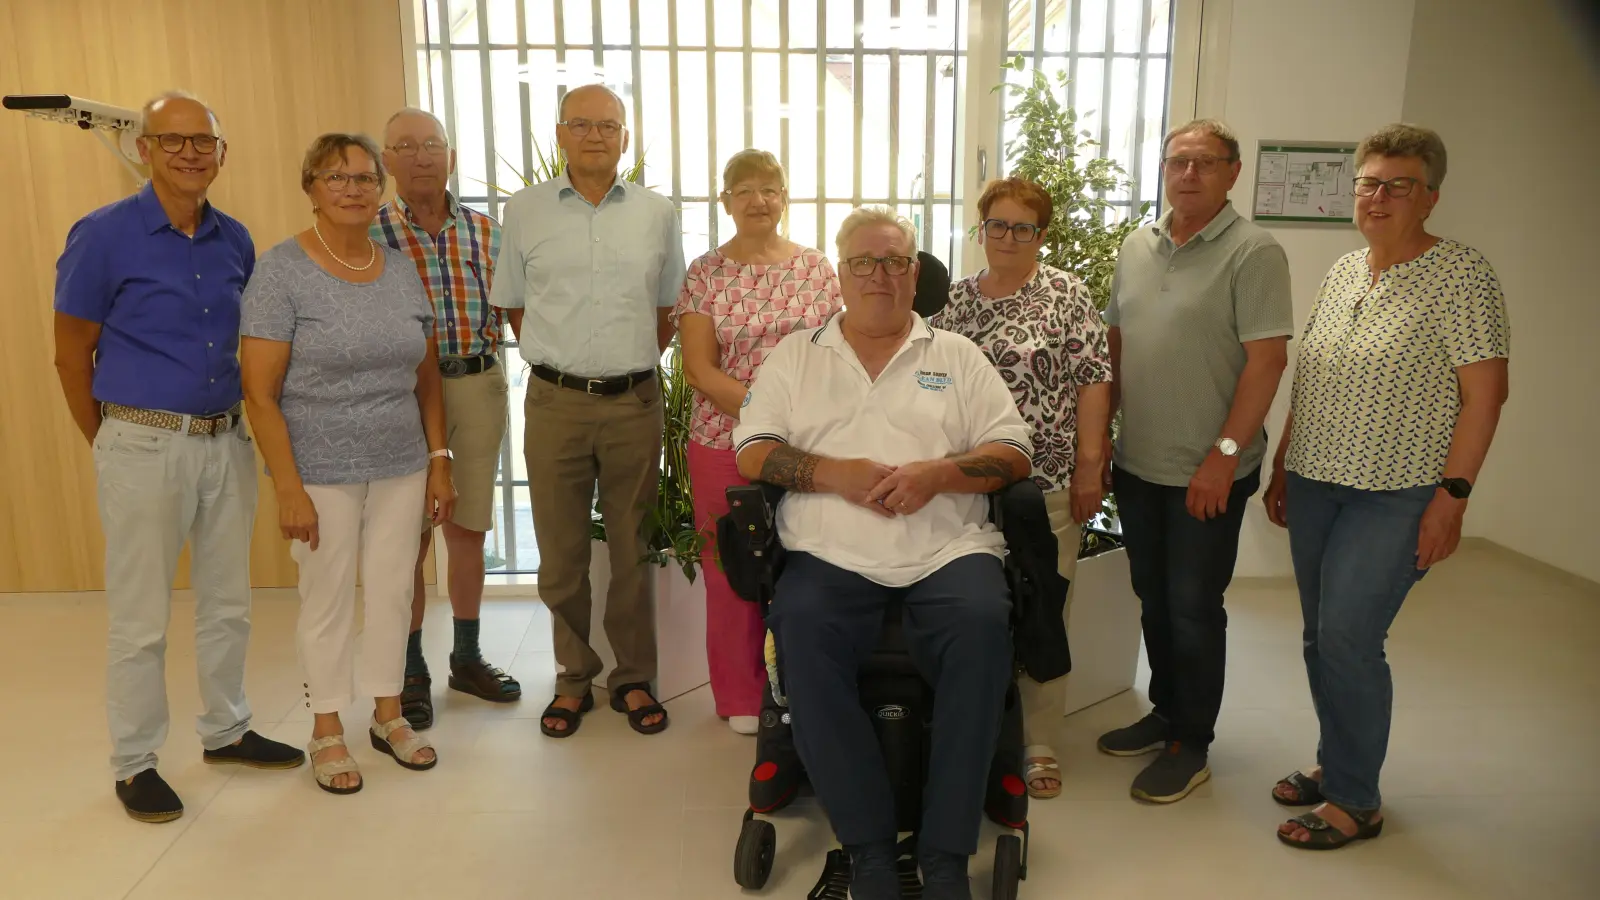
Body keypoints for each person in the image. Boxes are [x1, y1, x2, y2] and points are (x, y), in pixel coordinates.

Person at [733, 207, 1032, 900]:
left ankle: (946, 858)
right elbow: (752, 450)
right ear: (839, 274)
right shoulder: (796, 355)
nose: (880, 276)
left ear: (915, 273)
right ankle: (869, 852)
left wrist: (940, 476)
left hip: (949, 548)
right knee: (800, 631)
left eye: (896, 262)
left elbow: (1012, 451)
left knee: (984, 627)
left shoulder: (954, 355)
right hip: (829, 551)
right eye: (864, 262)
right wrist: (831, 473)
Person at [52, 91, 304, 824]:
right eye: (174, 141)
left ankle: (226, 730)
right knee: (141, 619)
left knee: (229, 605)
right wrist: (108, 441)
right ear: (144, 149)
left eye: (205, 142)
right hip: (140, 442)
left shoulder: (236, 240)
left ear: (223, 155)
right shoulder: (102, 236)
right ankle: (135, 763)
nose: (191, 153)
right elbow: (71, 357)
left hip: (225, 441)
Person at [1264, 124, 1509, 849]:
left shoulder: (1462, 275)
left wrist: (1452, 498)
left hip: (1396, 491)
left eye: (1396, 185)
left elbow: (1486, 395)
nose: (1376, 196)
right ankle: (1338, 760)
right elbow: (1313, 376)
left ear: (1429, 196)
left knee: (1349, 637)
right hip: (1315, 480)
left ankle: (1356, 800)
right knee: (1319, 636)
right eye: (1368, 182)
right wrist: (1283, 462)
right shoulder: (1345, 270)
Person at [241, 133, 453, 794]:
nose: (354, 188)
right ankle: (327, 728)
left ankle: (388, 714)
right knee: (326, 598)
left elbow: (426, 377)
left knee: (393, 590)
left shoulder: (397, 267)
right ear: (310, 188)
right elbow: (259, 393)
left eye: (364, 177)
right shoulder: (281, 271)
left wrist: (439, 459)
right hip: (319, 467)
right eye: (337, 177)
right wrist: (288, 488)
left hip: (401, 460)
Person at [1098, 118, 1293, 804]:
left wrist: (1226, 455)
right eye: (1177, 160)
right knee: (1153, 596)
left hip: (1211, 472)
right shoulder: (1137, 244)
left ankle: (1193, 742)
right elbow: (1118, 346)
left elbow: (1268, 362)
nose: (1188, 174)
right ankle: (1165, 713)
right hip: (1138, 463)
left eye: (1204, 162)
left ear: (1233, 172)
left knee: (1193, 607)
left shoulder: (1254, 252)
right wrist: (1100, 447)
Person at [490, 84, 686, 738]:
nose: (596, 135)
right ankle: (573, 677)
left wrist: (624, 364)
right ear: (561, 134)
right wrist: (565, 362)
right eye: (582, 124)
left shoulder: (658, 214)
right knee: (562, 550)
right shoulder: (524, 211)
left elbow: (666, 312)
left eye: (608, 125)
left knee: (632, 548)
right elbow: (516, 306)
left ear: (625, 138)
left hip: (633, 401)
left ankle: (632, 678)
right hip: (555, 403)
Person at [932, 177, 1112, 800]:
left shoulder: (1066, 294)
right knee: (971, 606)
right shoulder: (953, 302)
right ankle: (972, 724)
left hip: (1045, 484)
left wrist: (1091, 465)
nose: (1009, 237)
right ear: (980, 229)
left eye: (1024, 227)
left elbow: (1093, 380)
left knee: (1042, 603)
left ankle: (1038, 740)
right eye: (998, 225)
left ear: (1042, 233)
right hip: (964, 483)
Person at [672, 149, 844, 735]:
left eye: (769, 189)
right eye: (743, 190)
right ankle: (742, 695)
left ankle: (806, 685)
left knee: (806, 562)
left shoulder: (817, 268)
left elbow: (833, 351)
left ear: (784, 196)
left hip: (808, 440)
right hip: (723, 441)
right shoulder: (705, 273)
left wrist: (796, 425)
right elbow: (699, 368)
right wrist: (765, 415)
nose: (757, 201)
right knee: (731, 571)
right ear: (725, 202)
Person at [373, 107, 517, 730]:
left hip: (478, 383)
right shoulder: (371, 234)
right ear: (388, 161)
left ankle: (466, 657)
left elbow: (519, 314)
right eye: (406, 145)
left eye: (433, 144)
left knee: (468, 528)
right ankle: (410, 670)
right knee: (408, 535)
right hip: (399, 396)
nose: (422, 155)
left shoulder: (488, 232)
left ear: (451, 156)